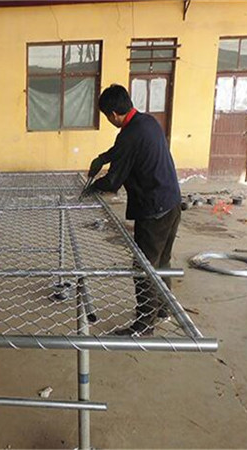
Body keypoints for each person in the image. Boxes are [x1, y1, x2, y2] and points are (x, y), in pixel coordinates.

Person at [85, 84, 182, 337]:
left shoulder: (128, 134)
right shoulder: (146, 122)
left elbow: (113, 182)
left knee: (143, 267)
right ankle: (163, 308)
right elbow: (123, 151)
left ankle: (145, 324)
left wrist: (93, 187)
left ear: (113, 114)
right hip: (171, 203)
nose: (110, 121)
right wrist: (103, 157)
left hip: (154, 210)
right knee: (162, 261)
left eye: (108, 117)